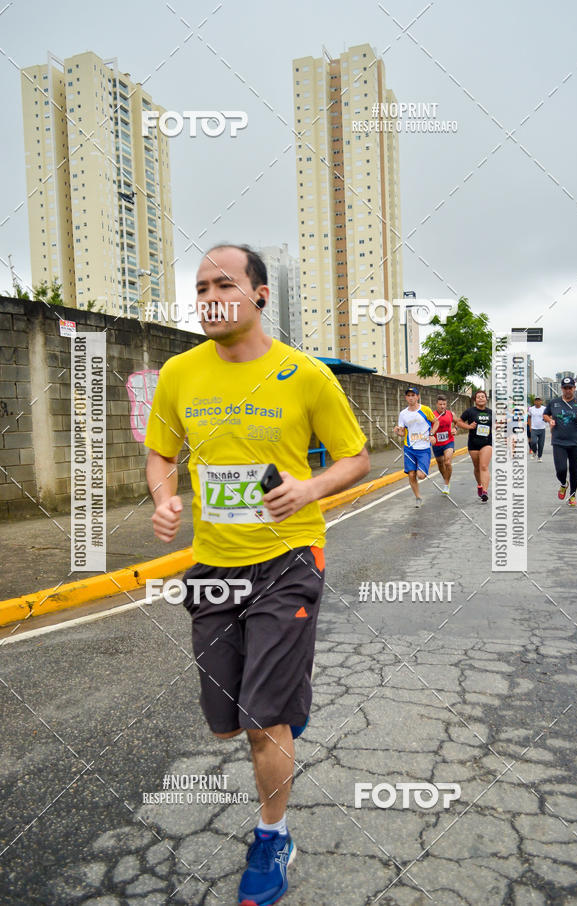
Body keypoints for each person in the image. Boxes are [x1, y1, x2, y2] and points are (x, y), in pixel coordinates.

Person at [145, 244, 369, 906]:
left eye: (226, 283)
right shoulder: (180, 374)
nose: (211, 295)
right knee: (227, 722)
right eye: (202, 285)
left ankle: (272, 837)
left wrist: (309, 488)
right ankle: (278, 709)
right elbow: (160, 455)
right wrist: (163, 497)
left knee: (262, 717)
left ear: (260, 295)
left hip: (289, 561)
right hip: (214, 566)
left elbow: (355, 458)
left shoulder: (303, 375)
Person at [543, 376, 577, 506]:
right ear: (562, 389)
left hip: (575, 442)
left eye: (570, 388)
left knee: (574, 471)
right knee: (561, 469)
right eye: (565, 388)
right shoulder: (554, 402)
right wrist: (550, 420)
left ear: (574, 388)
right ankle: (564, 484)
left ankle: (572, 495)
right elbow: (545, 414)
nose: (568, 390)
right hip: (559, 441)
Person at [393, 387, 439, 507]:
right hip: (409, 448)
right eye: (409, 395)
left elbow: (436, 422)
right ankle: (418, 497)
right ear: (406, 398)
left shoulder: (425, 409)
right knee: (412, 474)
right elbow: (403, 432)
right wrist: (397, 431)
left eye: (413, 395)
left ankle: (422, 473)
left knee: (421, 475)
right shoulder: (403, 414)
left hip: (423, 448)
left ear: (418, 396)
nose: (411, 397)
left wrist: (432, 434)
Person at [456, 390, 493, 502]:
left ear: (486, 399)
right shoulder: (470, 411)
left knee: (483, 466)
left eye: (483, 396)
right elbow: (459, 422)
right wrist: (469, 427)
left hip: (487, 442)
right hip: (473, 443)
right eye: (478, 397)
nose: (481, 398)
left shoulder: (491, 412)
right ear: (475, 400)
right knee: (477, 468)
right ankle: (480, 485)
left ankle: (485, 492)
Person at [431, 394, 456, 494]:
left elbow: (457, 422)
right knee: (440, 463)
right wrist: (431, 435)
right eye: (440, 404)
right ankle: (445, 479)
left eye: (444, 404)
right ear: (436, 404)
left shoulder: (450, 414)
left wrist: (455, 428)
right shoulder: (432, 415)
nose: (442, 406)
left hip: (448, 442)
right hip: (437, 444)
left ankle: (446, 484)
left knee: (447, 462)